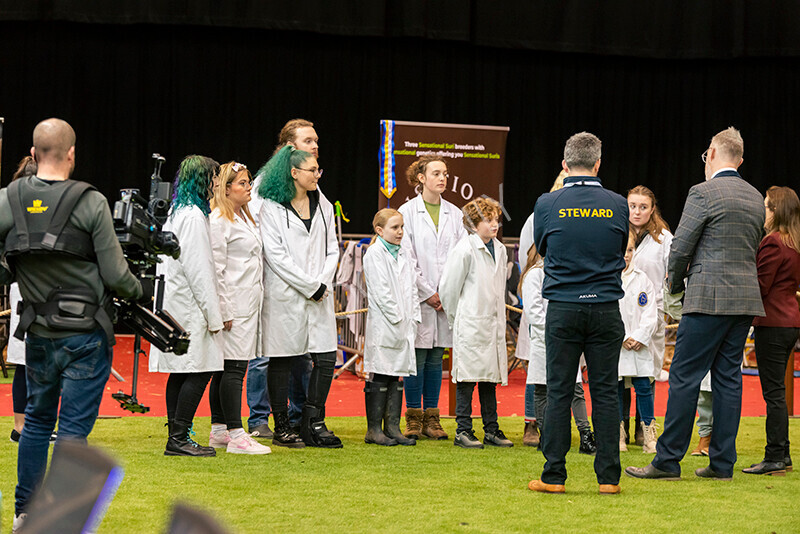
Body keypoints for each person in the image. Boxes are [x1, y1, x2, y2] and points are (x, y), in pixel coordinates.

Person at [0, 119, 143, 531]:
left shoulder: (9, 200)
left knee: (36, 421)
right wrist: (139, 292)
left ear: (32, 154)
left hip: (40, 334)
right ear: (72, 154)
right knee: (73, 431)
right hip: (85, 335)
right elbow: (117, 277)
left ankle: (24, 514)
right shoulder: (90, 201)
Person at [626, 127, 765, 482]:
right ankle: (722, 464)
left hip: (706, 298)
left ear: (713, 153)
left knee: (685, 378)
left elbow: (681, 248)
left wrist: (672, 286)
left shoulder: (703, 193)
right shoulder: (753, 196)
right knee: (729, 380)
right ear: (741, 159)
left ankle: (668, 460)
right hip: (745, 299)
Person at [528, 132, 628, 495]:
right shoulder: (617, 203)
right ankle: (609, 479)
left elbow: (542, 246)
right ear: (598, 164)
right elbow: (619, 247)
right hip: (605, 307)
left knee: (558, 392)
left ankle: (553, 476)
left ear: (565, 165)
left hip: (564, 308)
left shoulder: (547, 203)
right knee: (604, 393)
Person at [257, 145, 341, 448]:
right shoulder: (272, 207)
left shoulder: (325, 205)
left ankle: (312, 421)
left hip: (319, 294)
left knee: (326, 358)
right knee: (281, 359)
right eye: (312, 170)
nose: (317, 175)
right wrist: (309, 285)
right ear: (294, 173)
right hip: (286, 295)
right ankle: (281, 425)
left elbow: (333, 248)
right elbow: (276, 256)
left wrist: (322, 282)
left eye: (318, 170)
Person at [247, 118, 319, 437]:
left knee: (301, 354)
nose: (315, 145)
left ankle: (298, 415)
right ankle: (260, 419)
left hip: (301, 283)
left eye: (316, 140)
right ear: (290, 147)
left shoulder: (308, 182)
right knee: (266, 355)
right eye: (308, 141)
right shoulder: (265, 183)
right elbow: (261, 235)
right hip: (270, 280)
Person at [149, 155, 223, 457]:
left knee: (181, 370)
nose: (217, 184)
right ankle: (179, 436)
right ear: (204, 180)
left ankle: (177, 435)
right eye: (215, 177)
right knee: (199, 369)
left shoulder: (180, 212)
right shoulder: (192, 216)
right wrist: (213, 316)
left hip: (177, 302)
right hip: (190, 306)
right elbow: (199, 270)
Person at [398, 156, 466, 440]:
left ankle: (433, 418)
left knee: (437, 357)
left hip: (445, 298)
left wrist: (445, 293)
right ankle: (413, 417)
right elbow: (407, 258)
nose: (442, 178)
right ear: (421, 178)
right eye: (436, 173)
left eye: (445, 174)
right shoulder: (407, 212)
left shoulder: (456, 214)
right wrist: (429, 293)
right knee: (418, 356)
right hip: (419, 296)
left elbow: (460, 257)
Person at [206, 162, 271, 455]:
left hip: (247, 301)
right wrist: (224, 309)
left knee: (227, 369)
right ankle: (235, 433)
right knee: (233, 369)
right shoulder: (220, 219)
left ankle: (219, 428)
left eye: (248, 183)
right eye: (242, 183)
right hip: (234, 304)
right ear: (226, 188)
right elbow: (216, 268)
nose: (248, 188)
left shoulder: (243, 218)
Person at [439, 197, 512, 449]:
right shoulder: (464, 250)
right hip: (470, 323)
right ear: (473, 223)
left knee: (489, 379)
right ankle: (463, 429)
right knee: (467, 379)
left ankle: (491, 429)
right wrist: (457, 319)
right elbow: (448, 289)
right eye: (489, 220)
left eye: (496, 220)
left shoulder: (500, 249)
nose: (495, 225)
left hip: (491, 324)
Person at [519, 239, 596, 454]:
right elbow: (534, 311)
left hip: (569, 338)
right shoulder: (535, 274)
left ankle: (585, 435)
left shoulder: (569, 272)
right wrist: (557, 330)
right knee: (542, 389)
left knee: (575, 389)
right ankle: (547, 436)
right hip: (546, 340)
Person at [742, 186, 800, 475]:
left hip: (773, 324)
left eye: (766, 206)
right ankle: (782, 455)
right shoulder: (793, 241)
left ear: (776, 210)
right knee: (777, 392)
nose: (762, 211)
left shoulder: (774, 242)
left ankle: (775, 456)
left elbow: (760, 286)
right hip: (789, 322)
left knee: (773, 393)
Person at [362, 209, 420, 446]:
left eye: (402, 227)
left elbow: (412, 288)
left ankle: (393, 427)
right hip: (386, 323)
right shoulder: (374, 254)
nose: (400, 232)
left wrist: (413, 316)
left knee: (396, 373)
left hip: (404, 324)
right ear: (380, 230)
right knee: (381, 371)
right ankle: (374, 429)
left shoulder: (404, 253)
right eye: (395, 227)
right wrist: (397, 318)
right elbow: (381, 291)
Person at [622, 185, 673, 445]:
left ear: (652, 209)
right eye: (633, 205)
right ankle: (622, 430)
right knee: (621, 376)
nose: (637, 211)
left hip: (651, 315)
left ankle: (644, 427)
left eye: (643, 206)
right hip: (621, 316)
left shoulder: (664, 238)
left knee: (647, 374)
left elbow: (672, 275)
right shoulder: (617, 232)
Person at [617, 229, 659, 454]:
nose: (626, 255)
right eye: (622, 250)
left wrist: (640, 336)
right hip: (618, 344)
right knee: (617, 389)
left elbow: (650, 312)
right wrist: (622, 337)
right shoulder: (607, 277)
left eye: (630, 250)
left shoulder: (643, 279)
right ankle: (619, 434)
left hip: (639, 345)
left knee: (643, 387)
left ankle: (649, 435)